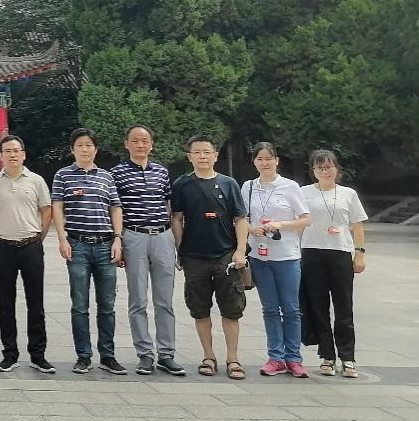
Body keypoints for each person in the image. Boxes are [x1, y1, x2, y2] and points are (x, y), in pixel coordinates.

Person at [170, 135, 249, 380]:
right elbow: (176, 217)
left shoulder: (229, 184)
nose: (202, 156)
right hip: (194, 257)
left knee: (231, 310)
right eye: (197, 152)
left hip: (226, 256)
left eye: (207, 152)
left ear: (215, 155)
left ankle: (233, 358)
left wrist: (240, 250)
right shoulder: (182, 184)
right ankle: (208, 356)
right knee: (199, 309)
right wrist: (179, 248)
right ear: (189, 156)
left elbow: (241, 218)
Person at [110, 125, 184, 376]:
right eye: (135, 140)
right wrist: (119, 241)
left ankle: (166, 354)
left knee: (165, 300)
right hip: (134, 237)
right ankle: (145, 354)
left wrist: (175, 241)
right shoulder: (116, 173)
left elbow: (168, 205)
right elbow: (114, 209)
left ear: (151, 144)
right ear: (126, 144)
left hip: (162, 236)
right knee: (138, 300)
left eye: (145, 140)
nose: (140, 145)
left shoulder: (161, 172)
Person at [51, 128, 125, 375]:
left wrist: (118, 239)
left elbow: (115, 208)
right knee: (80, 304)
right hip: (77, 246)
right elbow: (57, 207)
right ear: (72, 149)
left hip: (105, 246)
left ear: (96, 149)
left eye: (89, 145)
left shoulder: (106, 177)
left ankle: (108, 355)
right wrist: (62, 239)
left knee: (107, 304)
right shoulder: (63, 175)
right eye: (80, 145)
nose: (85, 149)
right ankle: (83, 356)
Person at [0, 134, 54, 373]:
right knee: (6, 302)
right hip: (4, 246)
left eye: (16, 150)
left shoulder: (36, 181)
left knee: (36, 302)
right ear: (1, 156)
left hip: (31, 246)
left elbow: (47, 211)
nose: (12, 155)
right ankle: (10, 353)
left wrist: (38, 237)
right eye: (8, 151)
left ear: (23, 154)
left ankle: (38, 354)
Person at [243, 142, 312, 378]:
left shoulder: (290, 187)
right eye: (259, 159)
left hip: (287, 255)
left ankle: (294, 358)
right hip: (259, 255)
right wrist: (252, 229)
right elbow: (241, 219)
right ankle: (276, 357)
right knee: (270, 309)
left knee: (291, 309)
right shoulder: (248, 187)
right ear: (254, 162)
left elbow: (305, 219)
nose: (264, 163)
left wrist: (280, 224)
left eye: (268, 158)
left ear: (277, 161)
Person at [300, 149, 367, 378]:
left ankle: (348, 357)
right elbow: (299, 223)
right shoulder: (304, 192)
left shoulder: (348, 193)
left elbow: (357, 226)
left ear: (337, 168)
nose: (324, 171)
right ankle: (327, 355)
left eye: (328, 167)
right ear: (313, 171)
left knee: (344, 307)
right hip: (311, 252)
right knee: (318, 307)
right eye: (319, 168)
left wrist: (359, 253)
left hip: (340, 253)